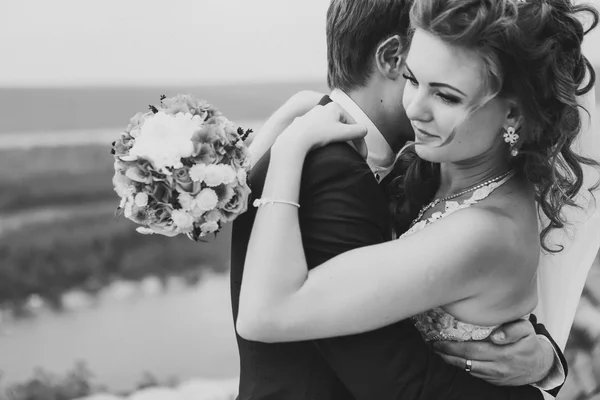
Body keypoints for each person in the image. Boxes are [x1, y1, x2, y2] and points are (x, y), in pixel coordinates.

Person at [236, 0, 599, 397]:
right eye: (412, 79)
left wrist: (290, 149)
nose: (414, 108)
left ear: (513, 115)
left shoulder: (484, 231)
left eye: (445, 96)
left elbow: (264, 316)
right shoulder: (439, 165)